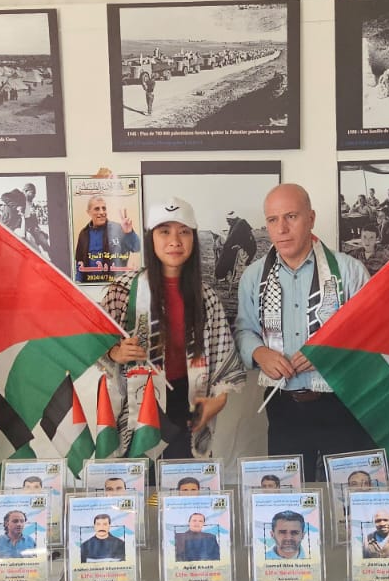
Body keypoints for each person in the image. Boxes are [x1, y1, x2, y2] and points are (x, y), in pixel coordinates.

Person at [236, 184, 373, 480]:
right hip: (283, 405)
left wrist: (331, 350)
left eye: (291, 216)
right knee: (290, 494)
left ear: (311, 218)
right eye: (273, 220)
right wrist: (259, 352)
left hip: (344, 401)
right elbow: (244, 329)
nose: (282, 228)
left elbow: (372, 333)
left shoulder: (349, 271)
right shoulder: (253, 277)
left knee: (349, 491)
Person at [101, 197, 245, 459]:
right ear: (151, 239)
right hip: (137, 404)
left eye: (184, 232)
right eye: (164, 231)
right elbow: (95, 345)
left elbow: (225, 362)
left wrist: (217, 399)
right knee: (140, 478)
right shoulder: (123, 290)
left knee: (186, 479)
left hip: (188, 403)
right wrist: (114, 353)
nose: (175, 241)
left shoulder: (206, 297)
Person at [74, 196, 140, 282]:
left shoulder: (118, 229)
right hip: (89, 284)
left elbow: (137, 248)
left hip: (115, 284)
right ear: (89, 212)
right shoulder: (83, 234)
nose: (102, 212)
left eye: (104, 208)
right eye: (97, 209)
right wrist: (78, 282)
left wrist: (129, 233)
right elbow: (79, 262)